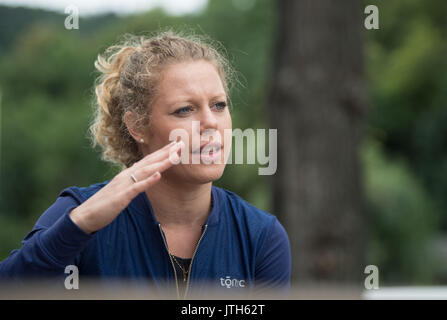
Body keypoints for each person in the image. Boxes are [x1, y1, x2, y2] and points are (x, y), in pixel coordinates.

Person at [0, 30, 291, 299]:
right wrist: (80, 225)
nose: (211, 123)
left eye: (218, 105)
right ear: (138, 126)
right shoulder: (80, 212)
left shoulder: (260, 236)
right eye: (185, 110)